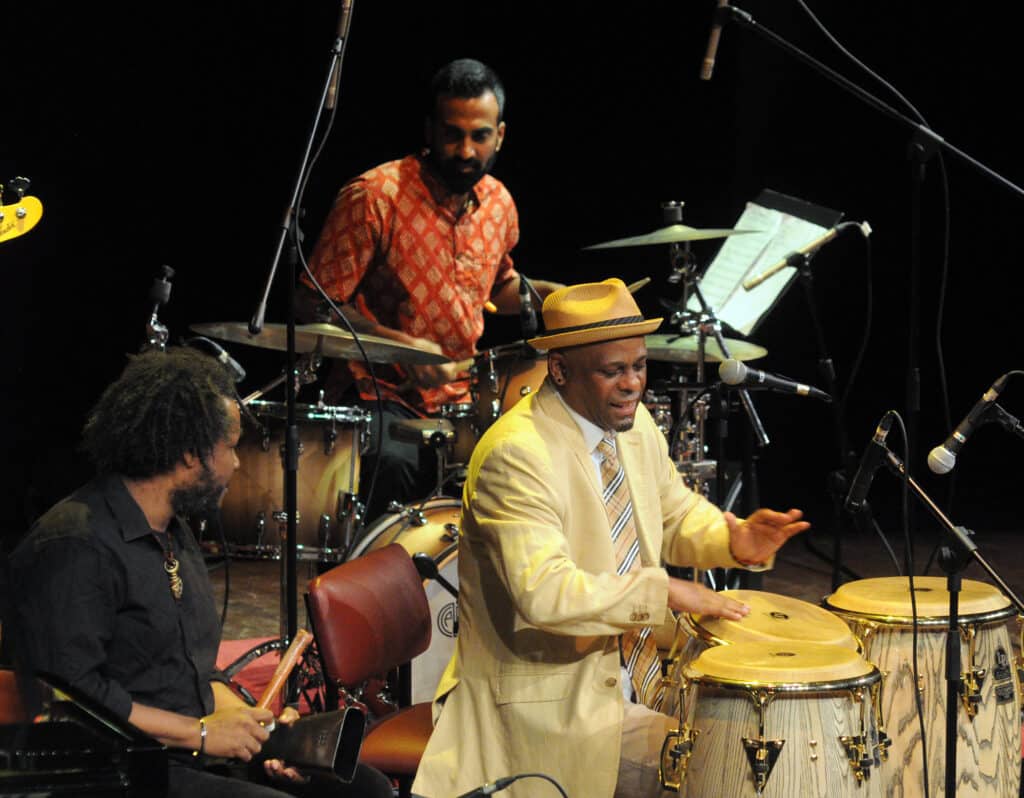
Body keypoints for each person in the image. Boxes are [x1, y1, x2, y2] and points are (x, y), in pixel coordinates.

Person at [411, 279, 811, 798]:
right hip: (549, 707)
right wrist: (663, 591)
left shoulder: (633, 424)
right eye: (613, 370)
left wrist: (732, 541)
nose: (633, 384)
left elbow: (672, 512)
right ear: (560, 369)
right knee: (728, 764)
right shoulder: (517, 455)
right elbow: (545, 594)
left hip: (635, 675)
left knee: (772, 731)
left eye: (639, 366)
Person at [8, 348, 392, 798]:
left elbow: (195, 670)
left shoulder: (175, 531)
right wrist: (202, 735)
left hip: (193, 744)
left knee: (366, 788)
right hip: (121, 765)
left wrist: (251, 727)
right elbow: (77, 701)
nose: (237, 463)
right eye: (229, 447)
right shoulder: (73, 546)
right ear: (190, 453)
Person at [297, 57, 563, 522]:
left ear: (499, 134)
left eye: (479, 135)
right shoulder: (375, 195)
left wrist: (563, 298)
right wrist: (402, 348)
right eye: (451, 133)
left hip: (460, 401)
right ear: (429, 130)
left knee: (528, 466)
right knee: (396, 464)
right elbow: (313, 301)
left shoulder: (499, 203)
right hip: (375, 395)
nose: (465, 150)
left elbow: (498, 287)